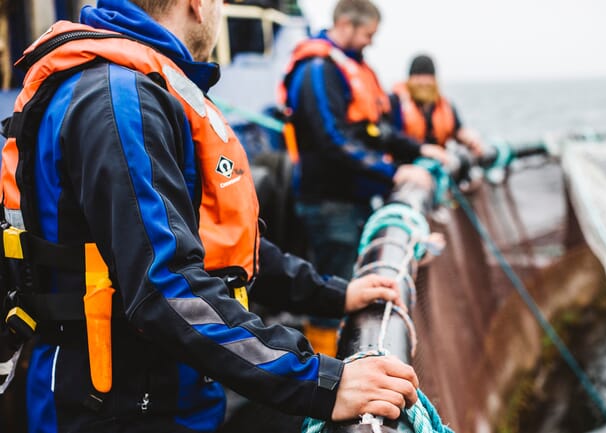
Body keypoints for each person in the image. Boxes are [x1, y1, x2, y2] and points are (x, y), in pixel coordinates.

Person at [0, 0, 420, 432]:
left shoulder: (132, 89)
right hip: (119, 407)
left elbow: (216, 247)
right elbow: (164, 286)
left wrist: (334, 294)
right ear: (197, 6)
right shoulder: (119, 101)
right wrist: (324, 384)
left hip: (164, 390)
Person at [280, 0, 443, 281]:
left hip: (354, 200)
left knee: (356, 282)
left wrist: (419, 149)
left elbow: (374, 130)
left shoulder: (349, 67)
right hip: (329, 204)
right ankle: (322, 327)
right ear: (346, 24)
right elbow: (333, 139)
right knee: (334, 291)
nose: (371, 43)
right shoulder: (317, 69)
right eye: (368, 34)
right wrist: (394, 172)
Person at [390, 54, 484, 156]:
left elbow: (457, 129)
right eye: (418, 76)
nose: (423, 82)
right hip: (407, 162)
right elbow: (390, 136)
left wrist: (470, 138)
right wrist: (421, 149)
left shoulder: (445, 105)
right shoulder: (395, 103)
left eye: (428, 77)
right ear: (409, 79)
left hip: (439, 162)